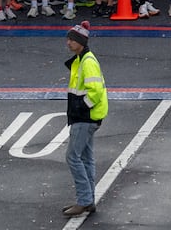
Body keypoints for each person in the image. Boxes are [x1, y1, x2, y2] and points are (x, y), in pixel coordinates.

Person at [62, 20, 107, 217]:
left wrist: (81, 107)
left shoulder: (87, 62)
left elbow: (95, 91)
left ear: (81, 41)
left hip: (84, 117)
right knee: (86, 158)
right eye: (68, 39)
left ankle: (84, 200)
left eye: (72, 40)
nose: (68, 43)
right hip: (88, 117)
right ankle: (89, 200)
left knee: (72, 157)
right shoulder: (82, 60)